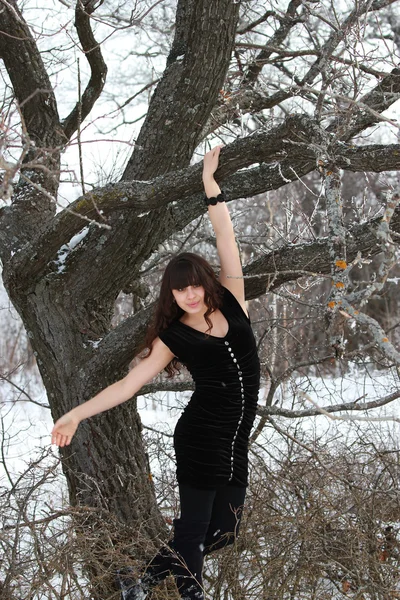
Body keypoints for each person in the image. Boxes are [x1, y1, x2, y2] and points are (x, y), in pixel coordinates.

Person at [51, 146, 260, 600]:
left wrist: (210, 184)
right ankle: (189, 594)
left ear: (207, 282)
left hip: (235, 437)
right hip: (201, 436)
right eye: (179, 289)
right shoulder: (173, 337)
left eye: (194, 286)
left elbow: (227, 239)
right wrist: (75, 414)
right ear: (173, 294)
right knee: (193, 532)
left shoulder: (233, 300)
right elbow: (128, 385)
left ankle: (142, 578)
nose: (188, 295)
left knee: (224, 532)